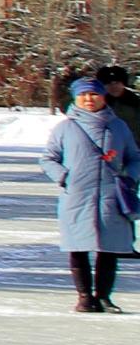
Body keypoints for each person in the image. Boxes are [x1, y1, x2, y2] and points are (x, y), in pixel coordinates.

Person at [44, 78, 135, 314]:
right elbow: (48, 158)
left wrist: (130, 176)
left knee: (109, 248)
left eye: (94, 95)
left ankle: (104, 297)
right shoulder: (65, 127)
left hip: (110, 194)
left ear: (103, 97)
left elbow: (135, 157)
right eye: (83, 95)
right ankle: (84, 297)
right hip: (77, 194)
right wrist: (64, 177)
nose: (89, 99)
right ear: (75, 98)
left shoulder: (118, 126)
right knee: (78, 247)